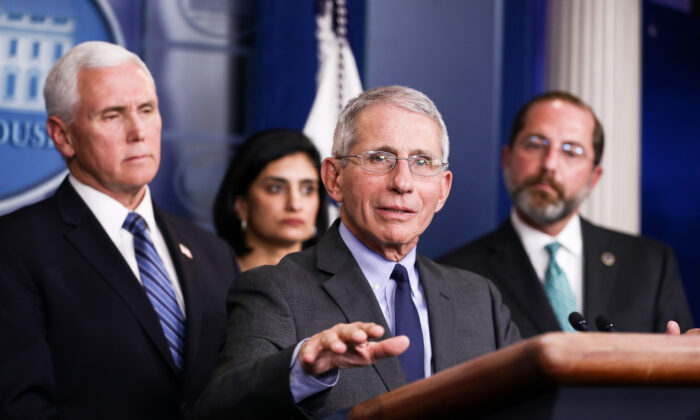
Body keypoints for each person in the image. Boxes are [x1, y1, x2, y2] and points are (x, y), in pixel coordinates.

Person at [193, 85, 520, 419]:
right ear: (334, 179)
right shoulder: (276, 290)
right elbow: (219, 410)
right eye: (380, 158)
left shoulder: (480, 299)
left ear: (442, 190)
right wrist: (302, 371)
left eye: (422, 162)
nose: (403, 182)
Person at [0, 41, 238, 418]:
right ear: (62, 136)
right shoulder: (14, 248)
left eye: (147, 110)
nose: (138, 131)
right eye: (112, 115)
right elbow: (20, 406)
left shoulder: (213, 253)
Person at [439, 91, 693, 338]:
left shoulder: (651, 265)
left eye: (571, 151)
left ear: (594, 177)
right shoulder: (454, 274)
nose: (549, 164)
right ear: (507, 158)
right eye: (536, 144)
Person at [213, 129, 328, 271]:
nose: (295, 205)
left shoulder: (340, 286)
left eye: (307, 190)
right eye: (276, 188)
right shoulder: (208, 280)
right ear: (241, 204)